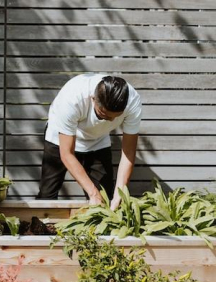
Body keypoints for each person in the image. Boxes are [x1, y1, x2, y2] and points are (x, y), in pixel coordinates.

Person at [36, 74, 142, 210]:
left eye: (115, 118)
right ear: (93, 99)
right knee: (47, 196)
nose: (110, 121)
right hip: (59, 138)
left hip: (98, 140)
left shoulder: (132, 102)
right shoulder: (72, 98)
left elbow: (128, 152)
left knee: (104, 199)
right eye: (103, 115)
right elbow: (67, 154)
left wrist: (119, 194)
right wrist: (93, 193)